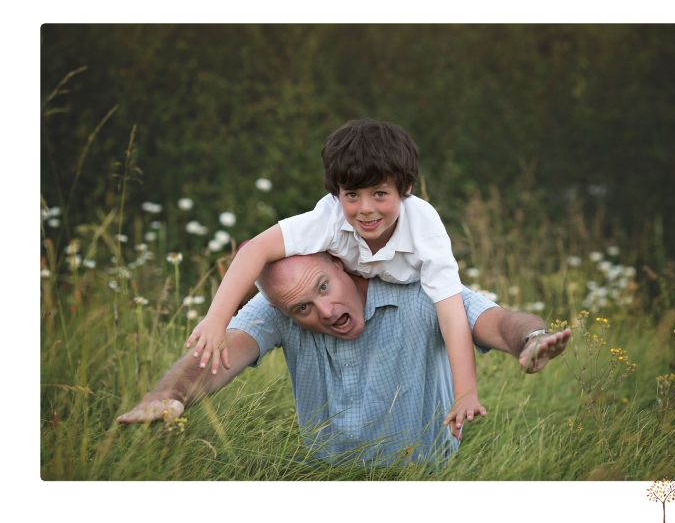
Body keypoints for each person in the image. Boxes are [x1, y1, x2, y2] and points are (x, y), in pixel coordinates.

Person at [118, 252, 571, 466]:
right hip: (329, 481)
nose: (326, 311)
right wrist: (168, 395)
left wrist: (530, 338)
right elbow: (211, 360)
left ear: (342, 265)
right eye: (302, 309)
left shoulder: (422, 287)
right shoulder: (273, 308)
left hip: (427, 481)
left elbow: (499, 320)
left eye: (323, 287)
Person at [185, 119, 483, 437]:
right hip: (343, 288)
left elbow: (451, 312)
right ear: (336, 192)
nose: (365, 209)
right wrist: (216, 319)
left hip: (403, 296)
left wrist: (465, 392)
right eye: (352, 195)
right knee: (270, 268)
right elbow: (254, 249)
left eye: (380, 193)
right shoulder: (328, 217)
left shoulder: (425, 228)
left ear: (406, 189)